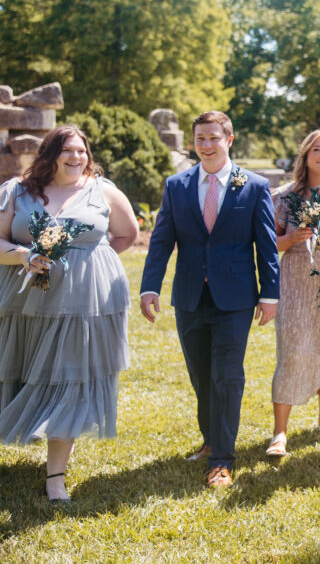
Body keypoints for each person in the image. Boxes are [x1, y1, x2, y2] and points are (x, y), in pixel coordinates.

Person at [140, 111, 279, 489]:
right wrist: (149, 285)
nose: (206, 145)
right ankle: (211, 439)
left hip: (234, 298)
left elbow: (266, 246)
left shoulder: (253, 186)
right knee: (201, 375)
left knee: (227, 376)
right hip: (189, 296)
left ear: (229, 139)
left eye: (214, 138)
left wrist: (270, 293)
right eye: (200, 138)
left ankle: (222, 458)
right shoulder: (177, 185)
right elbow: (162, 240)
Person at [0, 126, 138, 503]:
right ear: (50, 155)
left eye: (81, 150)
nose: (76, 157)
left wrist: (91, 262)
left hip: (84, 307)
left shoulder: (102, 189)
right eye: (67, 150)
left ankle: (55, 477)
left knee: (72, 382)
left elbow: (127, 233)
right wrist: (25, 256)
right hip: (24, 304)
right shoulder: (17, 191)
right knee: (17, 373)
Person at [265, 129, 320, 458]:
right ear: (305, 155)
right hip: (294, 285)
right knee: (290, 352)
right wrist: (290, 238)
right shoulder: (284, 196)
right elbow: (265, 247)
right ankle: (279, 434)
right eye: (316, 149)